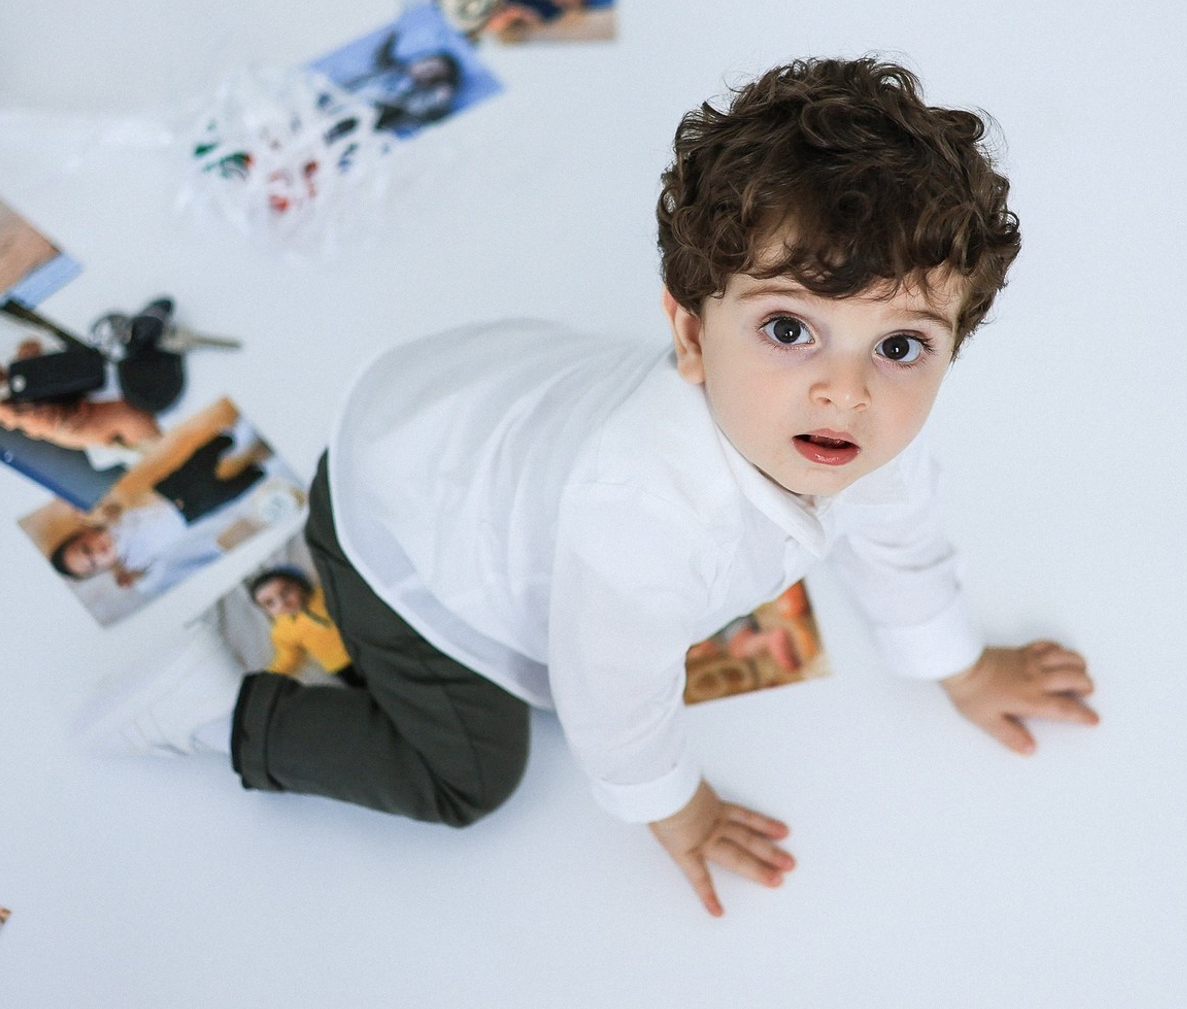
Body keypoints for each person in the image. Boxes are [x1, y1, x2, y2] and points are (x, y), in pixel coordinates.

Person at [88, 58, 1097, 916]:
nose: (847, 389)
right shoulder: (643, 521)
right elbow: (611, 700)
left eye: (901, 344)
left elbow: (898, 536)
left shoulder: (858, 427)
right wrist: (677, 807)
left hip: (474, 417)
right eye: (789, 329)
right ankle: (222, 712)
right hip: (404, 515)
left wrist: (960, 666)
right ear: (691, 331)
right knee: (470, 775)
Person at [51, 430, 267, 596]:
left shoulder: (109, 523)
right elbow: (156, 573)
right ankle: (259, 469)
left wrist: (93, 513)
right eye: (94, 563)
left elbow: (113, 505)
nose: (98, 554)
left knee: (199, 460)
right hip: (188, 514)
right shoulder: (133, 562)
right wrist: (135, 579)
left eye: (87, 548)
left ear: (85, 533)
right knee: (229, 492)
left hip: (167, 491)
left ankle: (231, 436)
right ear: (102, 569)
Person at [247, 565, 360, 685]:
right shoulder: (282, 631)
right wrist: (269, 676)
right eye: (270, 603)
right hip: (341, 665)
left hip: (361, 644)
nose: (282, 603)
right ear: (265, 610)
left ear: (300, 585)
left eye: (285, 592)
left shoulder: (324, 594)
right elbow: (289, 656)